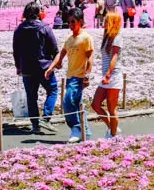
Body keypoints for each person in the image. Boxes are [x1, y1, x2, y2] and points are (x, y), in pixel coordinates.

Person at [45, 8, 93, 142]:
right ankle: (86, 133)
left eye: (73, 22)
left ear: (80, 22)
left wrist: (87, 75)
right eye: (69, 22)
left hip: (79, 76)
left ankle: (76, 128)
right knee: (77, 104)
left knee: (68, 102)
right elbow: (61, 54)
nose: (71, 25)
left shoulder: (86, 38)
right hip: (70, 76)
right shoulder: (70, 39)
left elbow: (90, 58)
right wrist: (51, 68)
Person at [13, 2, 59, 134]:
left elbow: (16, 51)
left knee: (31, 97)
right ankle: (46, 117)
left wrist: (18, 66)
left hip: (26, 68)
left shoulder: (19, 29)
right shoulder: (45, 28)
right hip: (44, 67)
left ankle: (35, 125)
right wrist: (55, 62)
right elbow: (54, 49)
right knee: (53, 90)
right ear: (38, 13)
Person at [91, 11, 123, 139]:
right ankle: (112, 127)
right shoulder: (106, 36)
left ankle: (113, 134)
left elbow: (114, 56)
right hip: (106, 76)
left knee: (112, 108)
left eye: (106, 20)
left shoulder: (117, 37)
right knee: (95, 104)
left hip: (113, 76)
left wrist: (108, 74)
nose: (104, 22)